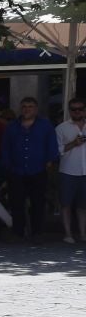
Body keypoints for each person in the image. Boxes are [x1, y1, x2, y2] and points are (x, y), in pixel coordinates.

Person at [0, 97, 58, 239]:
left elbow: (52, 145)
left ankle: (37, 232)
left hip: (38, 170)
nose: (27, 109)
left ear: (36, 109)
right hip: (16, 171)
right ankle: (18, 232)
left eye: (30, 106)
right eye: (24, 106)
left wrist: (50, 162)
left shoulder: (45, 125)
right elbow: (5, 148)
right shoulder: (12, 126)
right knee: (16, 203)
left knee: (38, 203)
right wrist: (8, 166)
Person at [59, 96, 86, 244]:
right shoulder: (61, 128)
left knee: (83, 205)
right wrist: (73, 143)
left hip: (85, 171)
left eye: (80, 109)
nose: (77, 112)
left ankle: (83, 233)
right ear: (69, 111)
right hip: (68, 171)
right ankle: (68, 234)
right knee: (66, 204)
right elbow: (56, 150)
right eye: (74, 109)